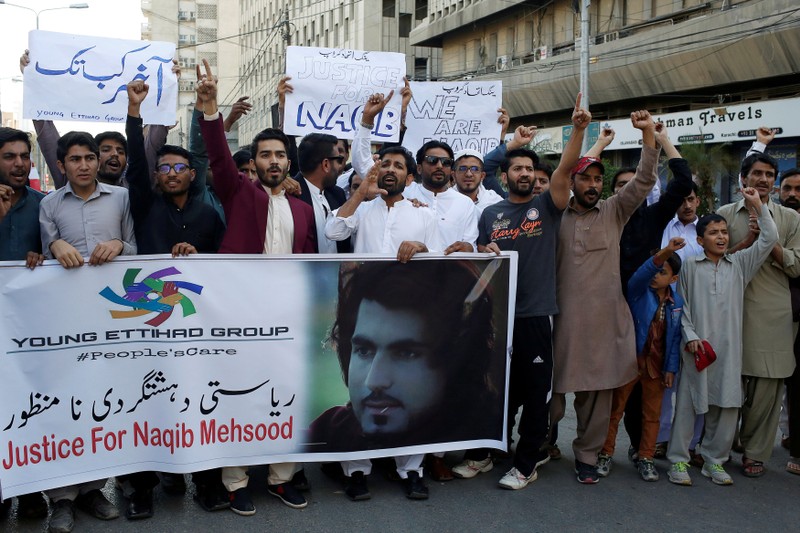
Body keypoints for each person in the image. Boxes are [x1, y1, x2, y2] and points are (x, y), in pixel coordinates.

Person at [196, 59, 313, 515]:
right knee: (238, 397)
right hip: (240, 316)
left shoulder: (303, 209)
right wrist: (209, 110)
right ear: (255, 163)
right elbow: (219, 158)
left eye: (280, 155)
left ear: (288, 162)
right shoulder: (238, 193)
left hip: (288, 318)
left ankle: (282, 478)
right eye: (265, 155)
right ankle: (236, 481)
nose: (273, 161)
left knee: (286, 393)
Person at [458, 93, 589, 490]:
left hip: (534, 315)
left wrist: (579, 130)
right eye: (518, 168)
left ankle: (527, 461)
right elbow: (483, 255)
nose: (526, 173)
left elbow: (565, 170)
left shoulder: (548, 206)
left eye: (531, 168)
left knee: (535, 395)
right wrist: (484, 249)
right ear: (507, 175)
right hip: (497, 316)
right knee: (492, 390)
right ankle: (483, 454)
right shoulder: (490, 212)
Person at [308, 260, 501, 497]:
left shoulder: (474, 423)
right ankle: (355, 472)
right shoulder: (326, 429)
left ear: (452, 359)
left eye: (406, 353)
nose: (374, 381)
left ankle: (411, 471)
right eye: (364, 350)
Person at [550, 110, 660, 484]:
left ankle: (586, 455)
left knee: (596, 395)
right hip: (559, 320)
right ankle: (543, 442)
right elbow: (559, 175)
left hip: (602, 322)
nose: (593, 184)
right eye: (587, 178)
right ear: (574, 181)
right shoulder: (556, 213)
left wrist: (647, 135)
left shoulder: (615, 211)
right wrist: (582, 133)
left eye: (599, 179)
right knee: (552, 392)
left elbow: (644, 179)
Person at [38, 131, 135, 532]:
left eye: (89, 158)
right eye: (74, 159)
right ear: (61, 165)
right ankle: (61, 498)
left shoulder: (122, 198)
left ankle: (94, 488)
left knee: (104, 400)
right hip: (65, 321)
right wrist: (53, 246)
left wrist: (118, 245)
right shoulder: (48, 204)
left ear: (98, 161)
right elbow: (38, 258)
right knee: (64, 403)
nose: (83, 165)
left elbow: (135, 246)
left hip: (113, 319)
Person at [667, 191, 778, 486]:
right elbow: (682, 305)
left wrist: (757, 205)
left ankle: (714, 461)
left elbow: (769, 238)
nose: (721, 237)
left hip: (729, 349)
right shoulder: (689, 265)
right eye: (713, 232)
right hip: (697, 347)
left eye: (724, 232)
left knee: (727, 404)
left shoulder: (740, 265)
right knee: (689, 405)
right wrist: (690, 336)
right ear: (700, 240)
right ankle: (678, 460)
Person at [717, 152, 800, 478]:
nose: (764, 179)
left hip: (773, 314)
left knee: (767, 389)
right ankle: (722, 446)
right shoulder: (725, 214)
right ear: (744, 179)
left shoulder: (790, 220)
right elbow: (715, 261)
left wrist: (769, 239)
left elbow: (797, 265)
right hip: (731, 311)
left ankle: (755, 453)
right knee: (729, 384)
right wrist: (749, 240)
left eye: (769, 174)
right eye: (757, 173)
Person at [597, 238, 685, 482]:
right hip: (630, 361)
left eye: (663, 272)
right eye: (655, 270)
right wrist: (665, 252)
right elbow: (643, 272)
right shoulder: (638, 291)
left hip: (656, 367)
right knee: (615, 410)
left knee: (652, 414)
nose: (656, 275)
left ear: (674, 279)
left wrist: (670, 368)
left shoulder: (677, 303)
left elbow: (675, 338)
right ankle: (605, 453)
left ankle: (646, 457)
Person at [0, 127, 48, 520]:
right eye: (9, 157)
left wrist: (43, 258)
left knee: (30, 408)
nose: (18, 164)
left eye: (23, 156)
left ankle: (32, 491)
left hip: (30, 327)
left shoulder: (42, 204)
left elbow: (56, 255)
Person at [451, 149, 503, 214]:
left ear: (482, 176)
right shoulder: (445, 201)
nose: (469, 174)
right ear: (454, 175)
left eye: (475, 169)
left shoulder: (494, 201)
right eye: (462, 169)